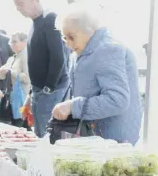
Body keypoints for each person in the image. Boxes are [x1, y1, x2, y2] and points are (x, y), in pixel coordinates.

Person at [51, 8, 142, 145]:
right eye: (65, 38)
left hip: (113, 141)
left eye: (71, 37)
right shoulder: (82, 52)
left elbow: (117, 101)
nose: (68, 44)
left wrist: (72, 106)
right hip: (97, 138)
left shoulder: (107, 50)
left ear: (88, 30)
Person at [11, 0, 70, 137]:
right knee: (39, 136)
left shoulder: (50, 18)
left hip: (52, 92)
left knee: (48, 139)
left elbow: (58, 57)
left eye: (21, 3)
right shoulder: (33, 25)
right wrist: (31, 95)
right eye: (16, 5)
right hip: (39, 92)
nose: (18, 8)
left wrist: (48, 89)